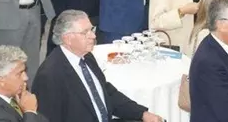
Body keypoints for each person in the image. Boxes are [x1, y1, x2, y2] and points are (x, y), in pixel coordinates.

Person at [34, 10, 162, 122]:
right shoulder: (50, 75)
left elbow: (106, 93)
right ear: (67, 39)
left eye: (92, 29)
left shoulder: (86, 57)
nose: (93, 36)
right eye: (85, 32)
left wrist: (142, 113)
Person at [0, 45, 48, 122]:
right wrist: (30, 111)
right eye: (19, 73)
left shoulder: (9, 94)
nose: (26, 77)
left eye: (24, 71)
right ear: (1, 79)